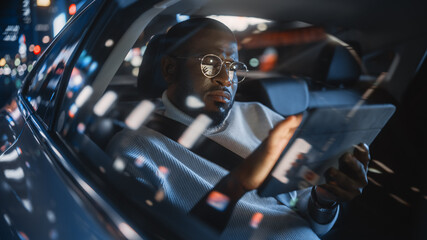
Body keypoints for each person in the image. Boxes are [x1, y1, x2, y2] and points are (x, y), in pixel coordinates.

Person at [108, 18, 370, 239]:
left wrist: (324, 198)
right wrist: (237, 183)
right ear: (169, 69)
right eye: (210, 63)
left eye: (233, 66)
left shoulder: (262, 116)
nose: (226, 78)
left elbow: (306, 210)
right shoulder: (136, 149)